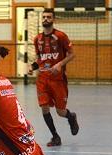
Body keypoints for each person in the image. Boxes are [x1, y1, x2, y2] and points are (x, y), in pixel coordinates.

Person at [28, 8, 79, 147]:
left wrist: (60, 65)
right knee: (44, 108)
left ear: (53, 19)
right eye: (44, 17)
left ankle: (71, 117)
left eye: (48, 17)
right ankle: (55, 136)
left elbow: (72, 54)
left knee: (60, 112)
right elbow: (40, 59)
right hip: (42, 80)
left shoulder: (61, 36)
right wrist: (32, 67)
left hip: (58, 79)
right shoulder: (37, 39)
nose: (45, 19)